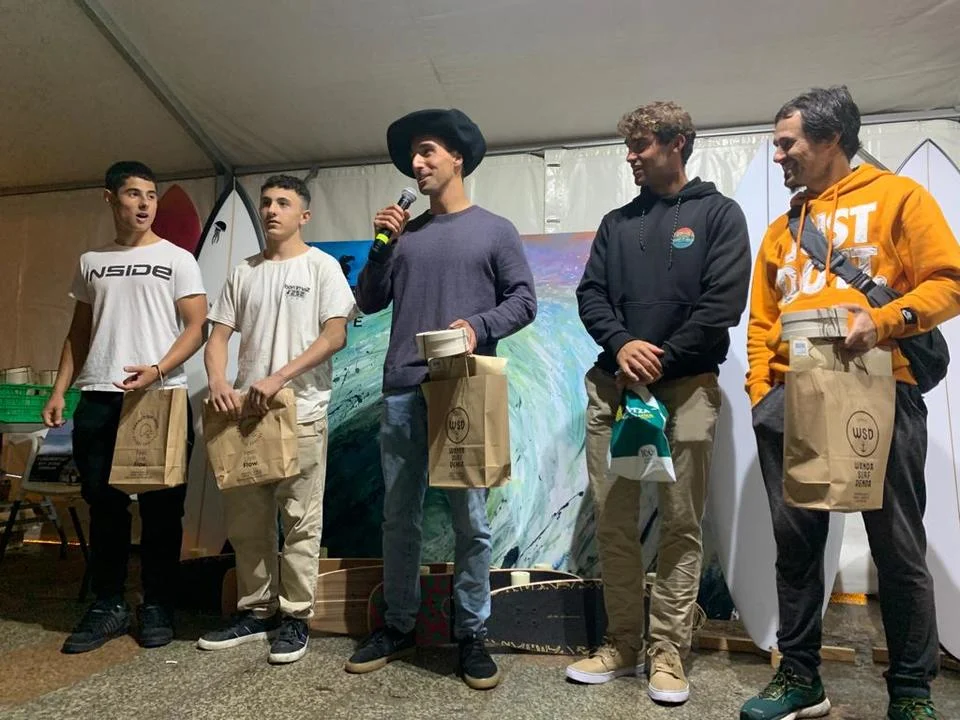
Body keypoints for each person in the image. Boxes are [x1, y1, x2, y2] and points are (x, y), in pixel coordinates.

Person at [741, 86, 960, 720]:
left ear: (831, 138)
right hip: (791, 400)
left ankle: (911, 692)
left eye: (787, 143)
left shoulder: (898, 197)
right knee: (797, 548)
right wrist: (762, 393)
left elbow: (949, 281)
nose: (778, 155)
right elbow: (762, 321)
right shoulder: (783, 229)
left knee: (898, 547)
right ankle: (800, 678)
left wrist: (884, 321)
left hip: (882, 389)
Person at [345, 108, 537, 689]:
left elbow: (524, 300)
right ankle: (399, 623)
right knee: (398, 516)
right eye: (413, 155)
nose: (417, 163)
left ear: (458, 157)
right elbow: (369, 301)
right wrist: (381, 248)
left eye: (427, 151)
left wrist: (479, 326)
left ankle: (472, 632)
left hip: (465, 385)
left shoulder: (495, 230)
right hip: (403, 388)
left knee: (470, 519)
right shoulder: (404, 234)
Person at [571, 101, 751, 704]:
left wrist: (661, 358)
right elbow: (591, 295)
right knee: (613, 522)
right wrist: (623, 346)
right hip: (616, 388)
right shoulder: (617, 224)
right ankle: (622, 644)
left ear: (677, 144)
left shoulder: (719, 215)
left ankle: (668, 650)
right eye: (629, 146)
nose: (631, 156)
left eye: (641, 145)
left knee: (681, 523)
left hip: (688, 388)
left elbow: (722, 305)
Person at [42, 161, 207, 653]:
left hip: (159, 393)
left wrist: (158, 369)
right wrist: (59, 389)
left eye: (150, 195)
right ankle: (108, 603)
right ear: (110, 198)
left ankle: (158, 602)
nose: (144, 204)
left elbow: (197, 327)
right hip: (99, 393)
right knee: (104, 505)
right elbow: (79, 331)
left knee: (162, 508)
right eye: (134, 194)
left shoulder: (177, 258)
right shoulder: (91, 261)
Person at [196, 174, 357, 665]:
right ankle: (256, 611)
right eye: (266, 202)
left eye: (283, 203)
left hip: (300, 413)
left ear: (303, 215)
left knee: (301, 520)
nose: (270, 210)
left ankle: (296, 618)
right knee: (248, 523)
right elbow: (217, 336)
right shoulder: (243, 271)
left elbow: (335, 336)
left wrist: (280, 376)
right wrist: (218, 380)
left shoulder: (322, 267)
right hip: (245, 416)